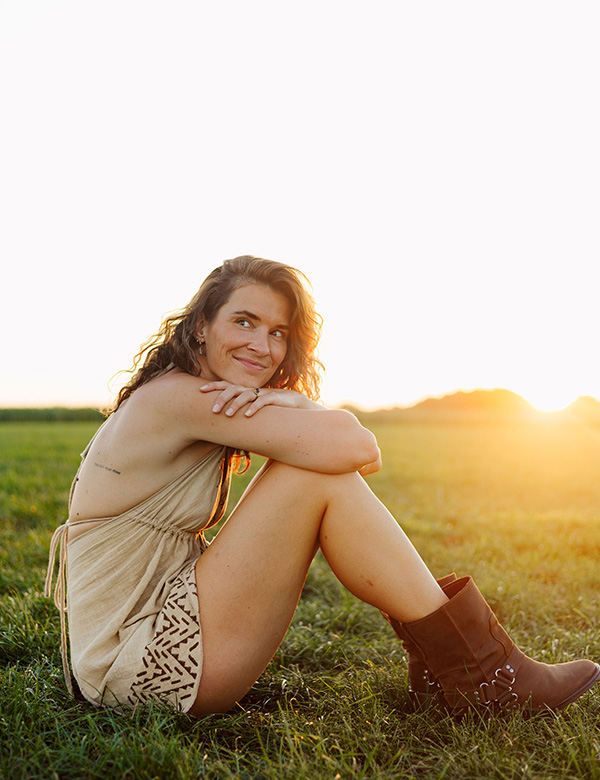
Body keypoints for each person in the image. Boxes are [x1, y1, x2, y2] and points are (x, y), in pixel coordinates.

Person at [46, 255, 600, 716]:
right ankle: (484, 675)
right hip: (138, 670)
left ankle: (465, 672)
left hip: (137, 647)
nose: (262, 345)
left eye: (278, 333)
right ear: (200, 327)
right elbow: (359, 449)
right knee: (310, 477)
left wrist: (288, 401)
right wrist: (297, 404)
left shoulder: (187, 395)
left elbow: (354, 448)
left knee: (311, 472)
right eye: (244, 322)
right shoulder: (181, 398)